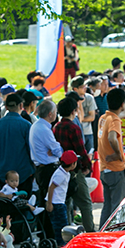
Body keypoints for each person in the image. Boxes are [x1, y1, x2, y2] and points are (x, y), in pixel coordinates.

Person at [53, 97, 95, 233]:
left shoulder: (56, 127)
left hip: (61, 169)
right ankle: (90, 232)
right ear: (73, 111)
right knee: (85, 204)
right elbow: (80, 151)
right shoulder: (74, 128)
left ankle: (66, 231)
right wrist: (88, 166)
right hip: (75, 170)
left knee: (66, 203)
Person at [0, 93, 34, 192]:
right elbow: (31, 150)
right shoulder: (26, 125)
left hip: (2, 173)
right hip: (23, 172)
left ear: (6, 107)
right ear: (21, 106)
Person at [97, 88, 125, 228]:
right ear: (122, 104)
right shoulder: (115, 120)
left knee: (107, 207)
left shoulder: (104, 118)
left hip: (104, 168)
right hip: (115, 168)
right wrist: (119, 155)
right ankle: (116, 232)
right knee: (118, 206)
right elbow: (112, 138)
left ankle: (103, 231)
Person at [29, 100, 63, 208]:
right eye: (55, 112)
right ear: (50, 114)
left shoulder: (37, 125)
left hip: (42, 168)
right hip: (47, 169)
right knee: (51, 202)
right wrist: (56, 150)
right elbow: (58, 151)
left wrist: (54, 150)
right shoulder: (44, 129)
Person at [46, 151, 77, 247]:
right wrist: (49, 203)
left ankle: (62, 243)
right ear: (72, 164)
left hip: (60, 202)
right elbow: (51, 187)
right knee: (61, 226)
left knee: (62, 225)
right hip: (57, 203)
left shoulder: (64, 172)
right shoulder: (60, 174)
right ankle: (61, 244)